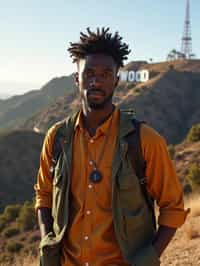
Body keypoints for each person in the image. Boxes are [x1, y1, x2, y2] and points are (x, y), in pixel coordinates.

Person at [35, 27, 188, 266]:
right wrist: (47, 242)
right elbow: (43, 195)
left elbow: (173, 208)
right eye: (89, 73)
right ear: (77, 78)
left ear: (116, 80)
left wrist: (147, 259)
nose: (96, 81)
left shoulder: (145, 140)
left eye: (106, 73)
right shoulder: (56, 138)